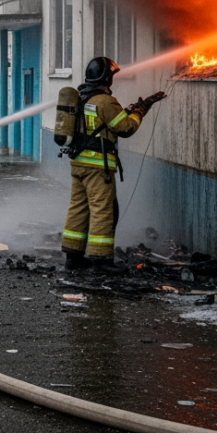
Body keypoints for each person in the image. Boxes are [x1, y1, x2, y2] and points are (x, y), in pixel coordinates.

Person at [62, 57, 155, 275]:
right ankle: (102, 261)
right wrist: (140, 110)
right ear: (106, 78)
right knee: (103, 210)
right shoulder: (105, 101)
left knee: (78, 208)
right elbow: (126, 127)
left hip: (78, 164)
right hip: (97, 167)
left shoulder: (80, 98)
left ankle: (72, 258)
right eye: (111, 75)